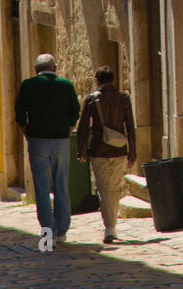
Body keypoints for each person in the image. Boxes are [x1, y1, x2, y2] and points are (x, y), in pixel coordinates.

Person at [14, 54, 81, 247]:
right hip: (61, 140)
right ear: (55, 67)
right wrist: (68, 127)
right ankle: (62, 230)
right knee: (61, 185)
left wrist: (26, 130)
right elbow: (74, 111)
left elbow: (19, 111)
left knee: (42, 188)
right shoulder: (66, 85)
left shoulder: (28, 85)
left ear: (36, 69)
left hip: (38, 140)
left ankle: (48, 230)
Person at [76, 66, 136, 244]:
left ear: (97, 80)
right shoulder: (124, 99)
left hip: (98, 150)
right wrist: (133, 151)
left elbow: (83, 127)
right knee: (115, 187)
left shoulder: (92, 99)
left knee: (103, 188)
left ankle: (109, 228)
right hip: (118, 150)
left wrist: (81, 150)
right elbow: (130, 127)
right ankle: (112, 226)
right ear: (113, 79)